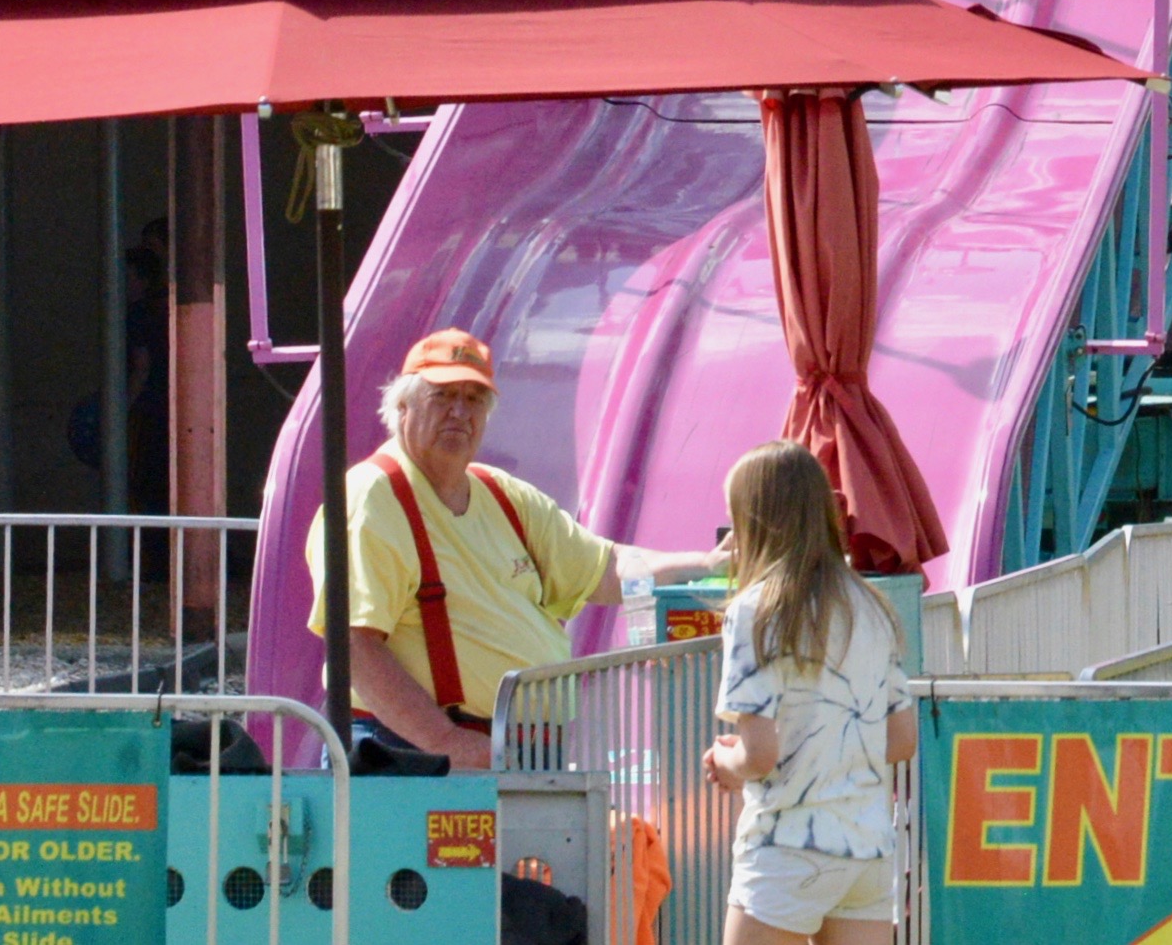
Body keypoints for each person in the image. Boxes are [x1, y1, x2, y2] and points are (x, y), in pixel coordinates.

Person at [306, 328, 708, 771]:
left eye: (475, 398)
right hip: (415, 757)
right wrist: (448, 742)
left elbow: (607, 569)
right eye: (442, 396)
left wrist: (713, 563)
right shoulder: (373, 497)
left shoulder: (503, 494)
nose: (460, 412)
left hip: (513, 754)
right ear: (402, 406)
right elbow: (354, 648)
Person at [703, 442, 915, 945]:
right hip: (865, 849)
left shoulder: (756, 611)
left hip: (787, 845)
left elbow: (760, 755)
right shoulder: (872, 607)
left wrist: (723, 763)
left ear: (757, 523)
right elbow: (901, 739)